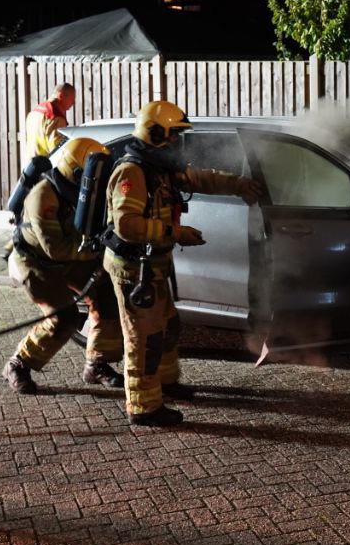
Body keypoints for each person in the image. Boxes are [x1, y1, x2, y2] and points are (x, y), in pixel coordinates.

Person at [102, 101, 262, 427]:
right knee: (144, 339)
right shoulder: (132, 172)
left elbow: (199, 178)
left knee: (168, 327)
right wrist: (175, 232)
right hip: (133, 270)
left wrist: (239, 185)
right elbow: (127, 225)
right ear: (155, 133)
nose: (177, 141)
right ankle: (144, 408)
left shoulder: (159, 166)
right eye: (173, 134)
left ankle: (165, 384)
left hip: (154, 265)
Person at [2, 137, 125, 394]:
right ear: (76, 170)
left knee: (107, 296)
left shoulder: (85, 192)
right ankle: (18, 364)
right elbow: (55, 249)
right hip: (35, 262)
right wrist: (96, 249)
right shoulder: (42, 197)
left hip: (70, 256)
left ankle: (97, 364)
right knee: (64, 317)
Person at [23, 83, 75, 164]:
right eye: (72, 99)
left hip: (30, 166)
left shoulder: (34, 112)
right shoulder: (55, 116)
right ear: (61, 96)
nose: (73, 103)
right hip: (45, 167)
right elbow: (57, 149)